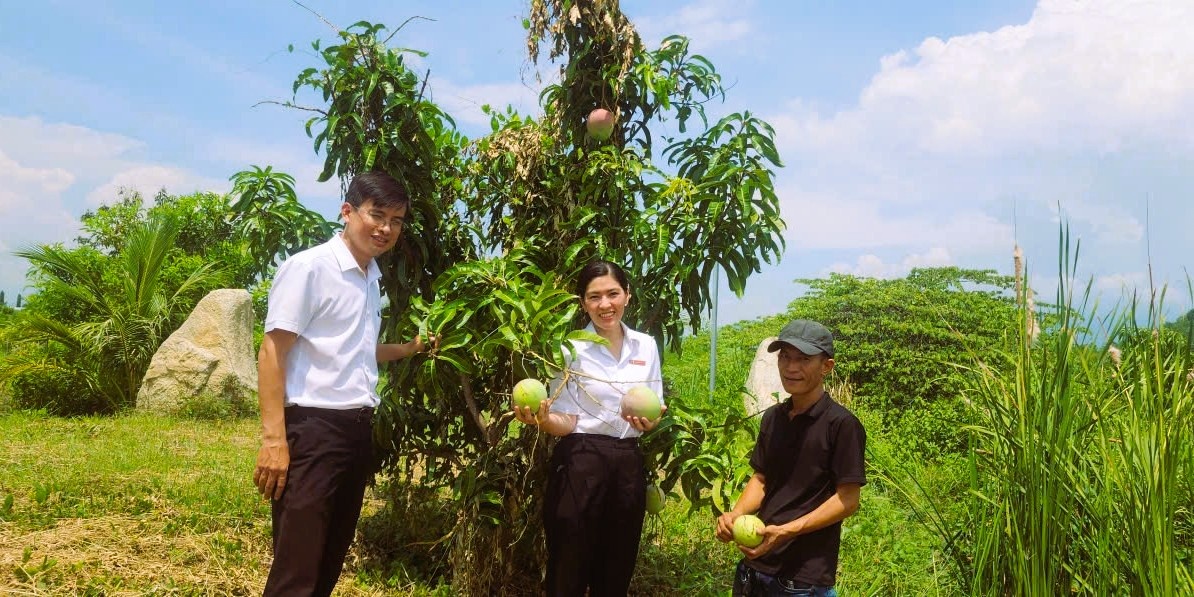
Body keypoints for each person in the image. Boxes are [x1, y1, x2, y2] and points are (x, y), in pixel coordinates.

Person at [253, 170, 435, 596]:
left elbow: (357, 350)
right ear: (348, 212)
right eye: (377, 215)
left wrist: (409, 349)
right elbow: (272, 352)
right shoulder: (310, 268)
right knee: (297, 567)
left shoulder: (370, 278)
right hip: (313, 430)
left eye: (396, 220)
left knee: (329, 557)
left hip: (356, 431)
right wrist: (274, 440)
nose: (386, 228)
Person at [512, 260, 667, 596]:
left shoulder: (647, 345)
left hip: (627, 462)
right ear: (583, 303)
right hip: (581, 459)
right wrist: (540, 418)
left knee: (617, 563)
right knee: (569, 560)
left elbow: (652, 406)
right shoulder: (570, 347)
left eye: (612, 293)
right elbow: (567, 421)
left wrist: (650, 421)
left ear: (627, 295)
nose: (604, 304)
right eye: (594, 297)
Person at [715, 319, 866, 597]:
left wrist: (787, 531)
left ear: (826, 367)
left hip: (803, 578)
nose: (791, 367)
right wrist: (735, 515)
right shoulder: (773, 417)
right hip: (755, 566)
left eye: (803, 359)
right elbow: (761, 478)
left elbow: (848, 500)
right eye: (784, 357)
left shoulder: (842, 425)